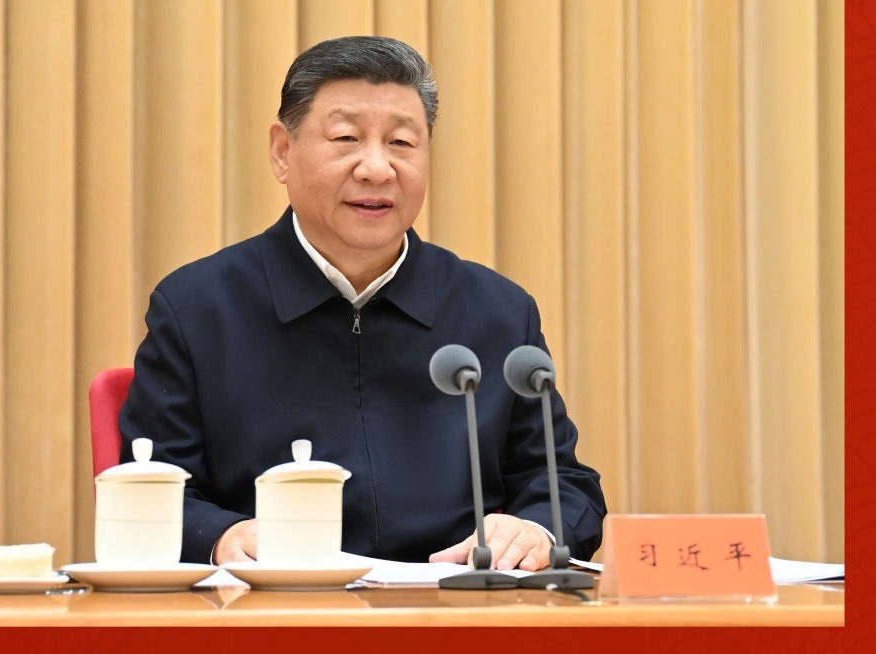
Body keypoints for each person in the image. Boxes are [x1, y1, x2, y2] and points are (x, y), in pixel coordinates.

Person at [119, 35, 605, 569]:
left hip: (453, 605)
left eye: (402, 142)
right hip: (272, 606)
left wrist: (534, 529)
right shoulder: (198, 310)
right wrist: (222, 536)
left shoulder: (498, 312)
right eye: (346, 138)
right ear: (282, 152)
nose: (377, 168)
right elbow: (150, 491)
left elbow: (563, 482)